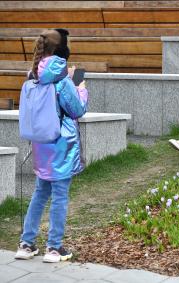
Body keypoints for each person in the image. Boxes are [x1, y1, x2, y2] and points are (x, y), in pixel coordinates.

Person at [15, 29, 88, 263]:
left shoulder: (32, 74)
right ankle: (54, 248)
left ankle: (26, 244)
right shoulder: (62, 79)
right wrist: (81, 88)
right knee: (59, 196)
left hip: (41, 143)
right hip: (61, 145)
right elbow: (77, 110)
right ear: (60, 50)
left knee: (40, 193)